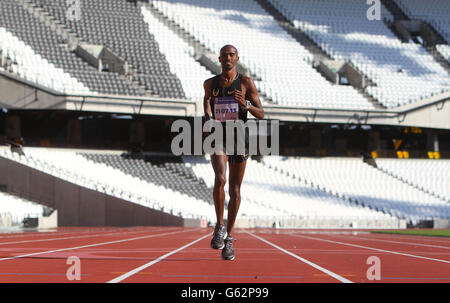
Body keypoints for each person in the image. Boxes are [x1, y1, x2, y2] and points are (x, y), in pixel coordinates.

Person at [203, 45, 264, 260]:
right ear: (219, 59)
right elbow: (207, 101)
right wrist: (209, 116)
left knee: (235, 191)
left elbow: (262, 114)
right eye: (224, 55)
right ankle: (219, 226)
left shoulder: (246, 83)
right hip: (219, 136)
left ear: (237, 58)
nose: (228, 58)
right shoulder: (210, 83)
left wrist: (245, 104)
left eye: (232, 55)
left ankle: (229, 238)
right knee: (220, 179)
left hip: (239, 137)